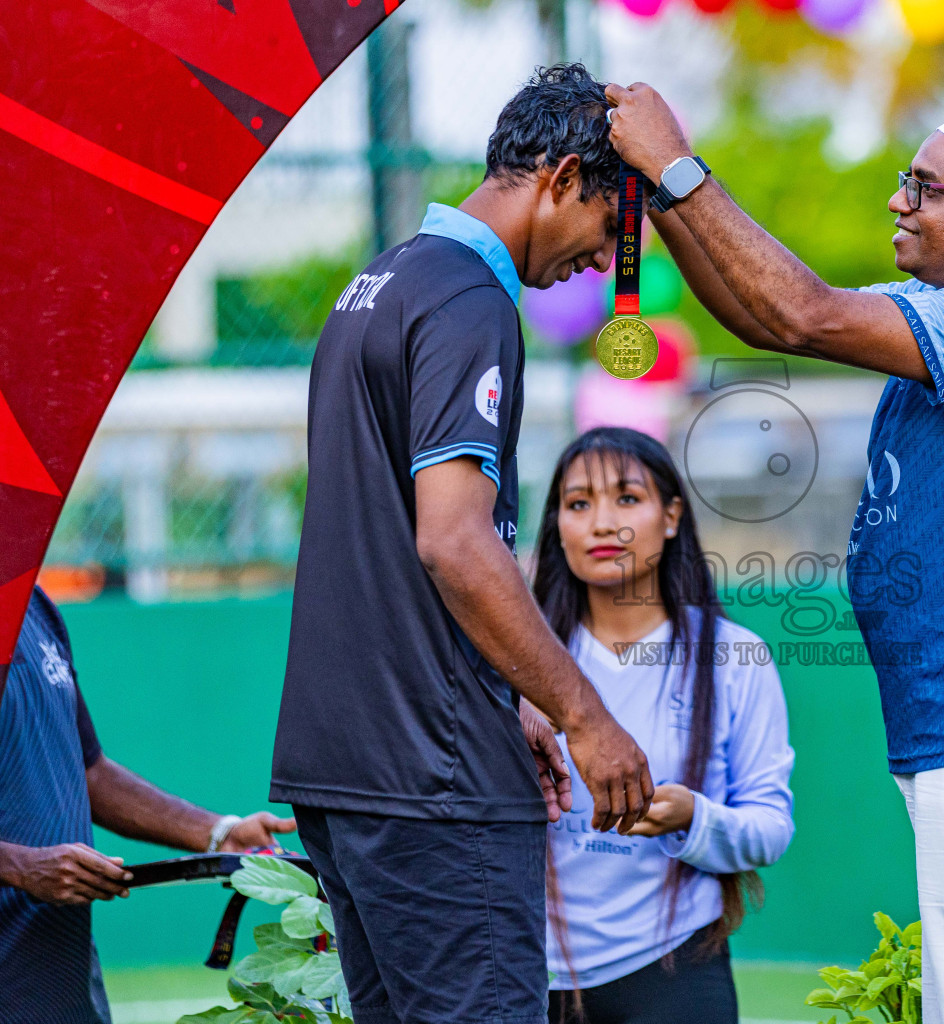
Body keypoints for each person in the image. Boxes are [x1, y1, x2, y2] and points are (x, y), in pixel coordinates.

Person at [603, 88, 944, 1024]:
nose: (900, 203)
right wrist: (657, 180)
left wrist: (679, 166)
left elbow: (801, 314)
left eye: (925, 187)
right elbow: (762, 316)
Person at [269, 65, 653, 1024]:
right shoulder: (469, 301)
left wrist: (502, 693)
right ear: (563, 177)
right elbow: (451, 540)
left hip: (347, 768)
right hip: (429, 779)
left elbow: (399, 546)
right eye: (609, 231)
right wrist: (581, 713)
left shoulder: (384, 278)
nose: (603, 266)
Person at [532, 427, 794, 1024]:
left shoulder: (733, 657)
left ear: (671, 515)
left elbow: (770, 827)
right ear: (558, 527)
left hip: (675, 965)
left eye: (627, 498)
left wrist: (693, 819)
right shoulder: (520, 658)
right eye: (578, 503)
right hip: (527, 969)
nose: (602, 523)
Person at [0, 586, 293, 1024]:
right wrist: (20, 866)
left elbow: (88, 770)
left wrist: (217, 833)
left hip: (57, 959)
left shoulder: (35, 606)